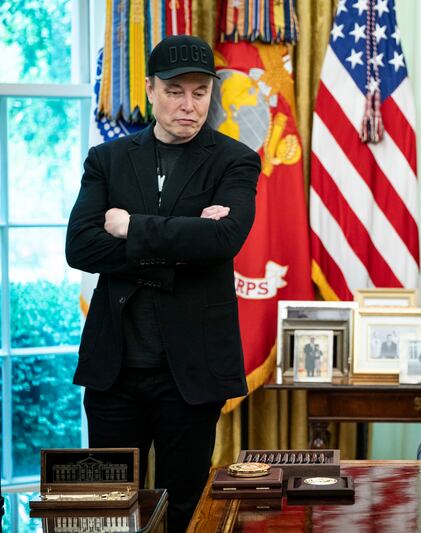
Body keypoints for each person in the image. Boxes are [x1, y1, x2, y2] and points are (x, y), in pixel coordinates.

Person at [65, 35, 260, 532]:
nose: (189, 105)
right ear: (150, 89)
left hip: (191, 373)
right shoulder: (106, 159)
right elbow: (81, 249)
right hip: (114, 370)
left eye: (200, 91)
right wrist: (186, 240)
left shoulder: (235, 159)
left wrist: (131, 226)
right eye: (175, 91)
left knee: (185, 512)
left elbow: (226, 239)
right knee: (106, 509)